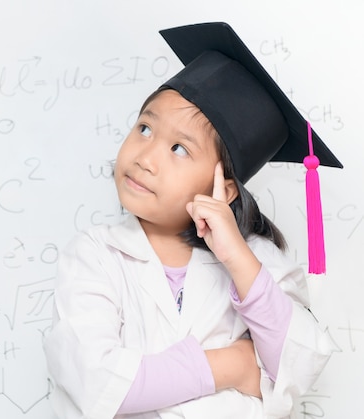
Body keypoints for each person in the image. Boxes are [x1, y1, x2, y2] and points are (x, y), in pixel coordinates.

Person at [43, 22, 343, 419]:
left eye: (179, 149)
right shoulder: (95, 256)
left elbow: (296, 364)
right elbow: (98, 383)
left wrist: (236, 255)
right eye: (145, 128)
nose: (145, 158)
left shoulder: (255, 262)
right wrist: (233, 366)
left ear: (226, 188)